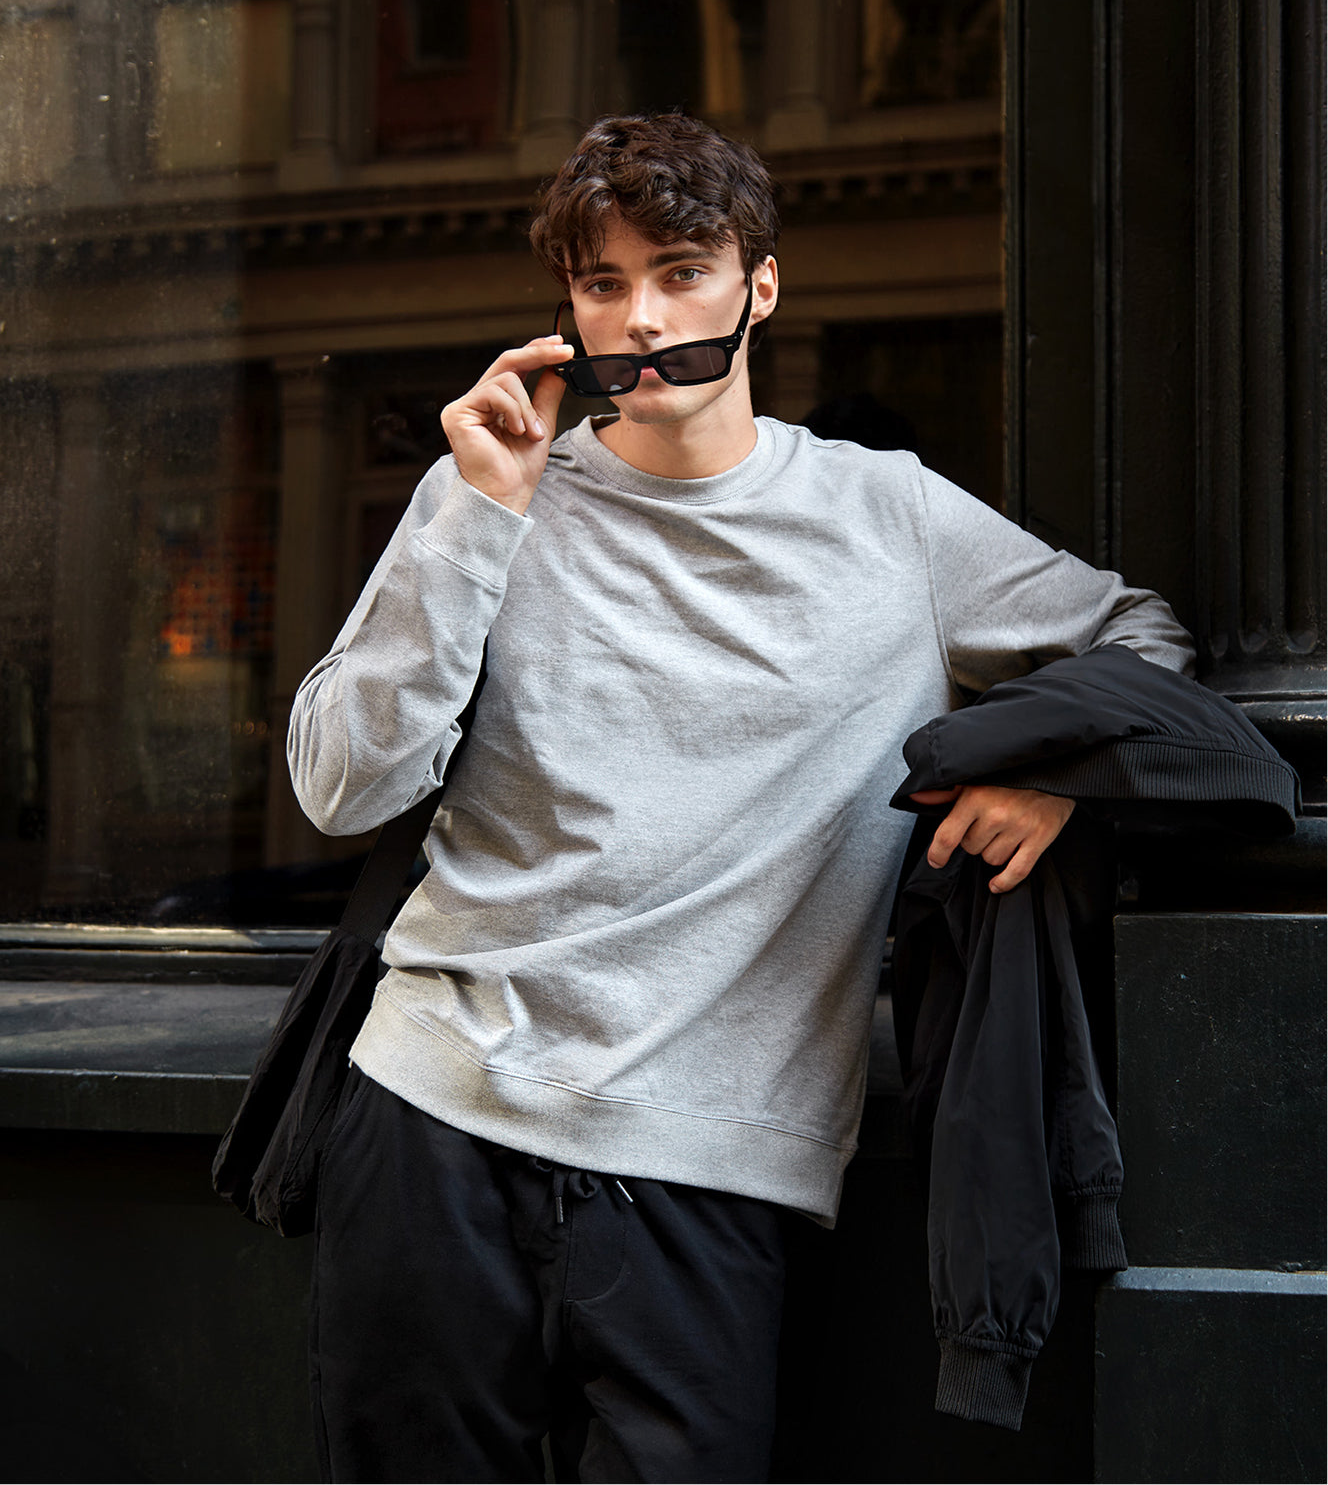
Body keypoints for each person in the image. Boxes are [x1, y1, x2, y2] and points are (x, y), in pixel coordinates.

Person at [289, 113, 1194, 1483]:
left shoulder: (892, 518)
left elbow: (1144, 635)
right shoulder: (487, 492)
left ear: (758, 286)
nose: (642, 319)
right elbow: (340, 785)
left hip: (712, 1160)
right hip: (431, 1118)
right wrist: (476, 518)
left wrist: (1049, 775)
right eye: (603, 284)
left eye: (681, 272)